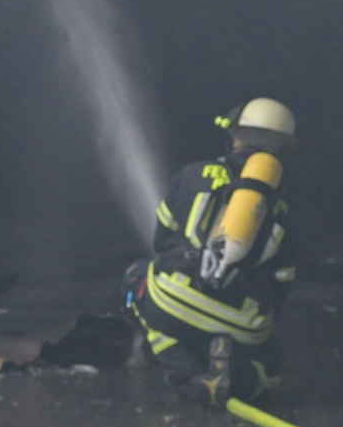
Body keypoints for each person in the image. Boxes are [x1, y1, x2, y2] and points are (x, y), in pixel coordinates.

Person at [127, 98, 298, 405]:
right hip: (240, 323)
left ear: (236, 137)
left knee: (135, 282)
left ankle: (183, 370)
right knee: (271, 364)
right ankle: (234, 375)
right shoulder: (283, 208)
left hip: (174, 300)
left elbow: (161, 240)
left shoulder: (192, 174)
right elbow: (281, 285)